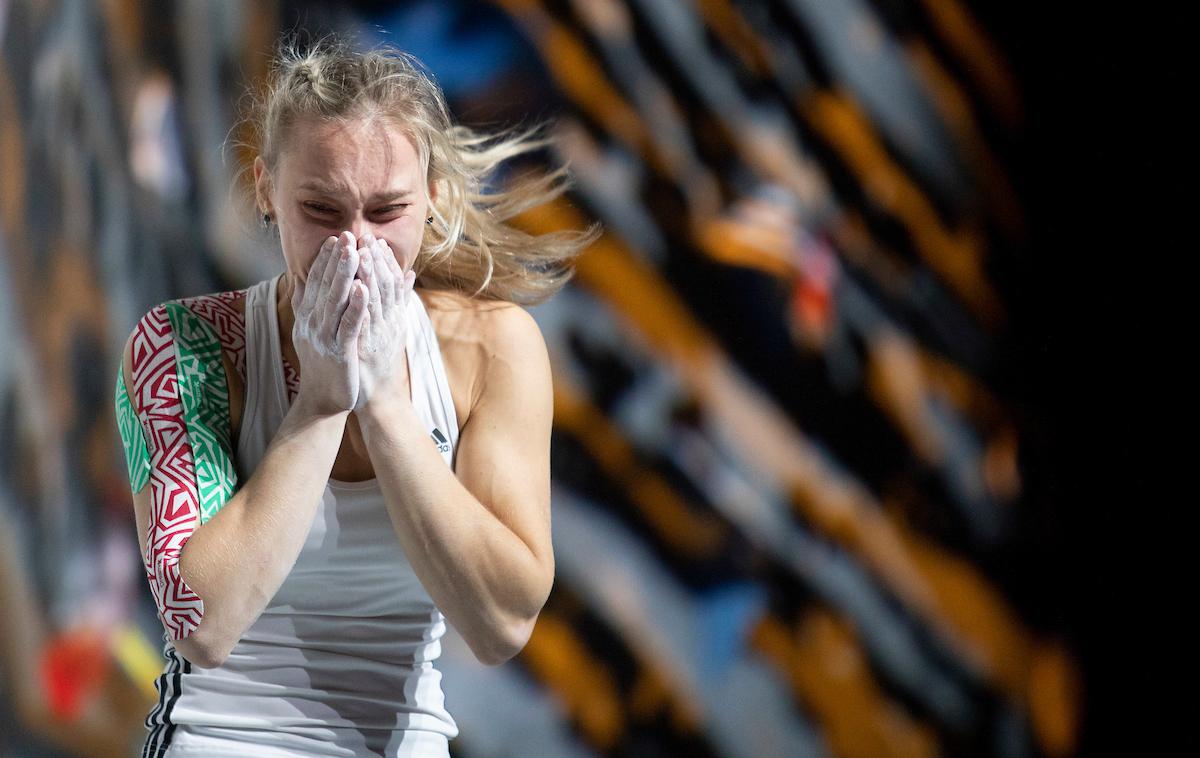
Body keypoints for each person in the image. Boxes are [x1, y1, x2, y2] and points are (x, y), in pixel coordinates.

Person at [114, 36, 596, 757]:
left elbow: (500, 625)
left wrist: (388, 408)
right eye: (321, 210)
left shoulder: (492, 349)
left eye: (386, 211)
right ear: (265, 191)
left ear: (432, 199)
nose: (355, 245)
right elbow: (202, 626)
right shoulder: (183, 347)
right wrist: (318, 404)